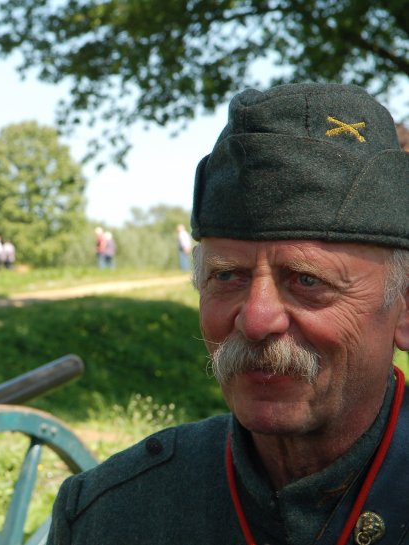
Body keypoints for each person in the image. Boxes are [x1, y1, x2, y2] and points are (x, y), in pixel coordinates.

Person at [46, 83, 409, 544]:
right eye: (227, 277)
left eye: (307, 281)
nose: (256, 321)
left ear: (404, 309)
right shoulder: (113, 515)